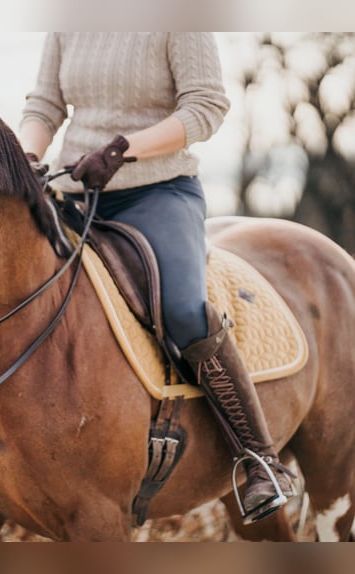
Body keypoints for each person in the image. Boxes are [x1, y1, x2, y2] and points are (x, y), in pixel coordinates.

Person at [19, 32, 294, 524]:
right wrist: (28, 156)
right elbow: (44, 103)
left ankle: (259, 461)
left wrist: (124, 150)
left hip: (158, 193)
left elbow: (205, 107)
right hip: (76, 188)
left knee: (185, 311)